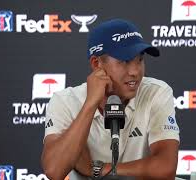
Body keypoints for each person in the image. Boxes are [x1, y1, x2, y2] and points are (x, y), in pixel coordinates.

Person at [41, 19, 180, 180]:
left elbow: (166, 168)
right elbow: (54, 170)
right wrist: (90, 103)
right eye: (125, 61)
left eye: (140, 60)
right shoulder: (64, 101)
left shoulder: (156, 92)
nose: (135, 71)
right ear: (96, 64)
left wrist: (97, 169)